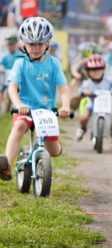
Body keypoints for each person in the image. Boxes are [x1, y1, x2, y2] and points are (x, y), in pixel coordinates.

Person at [0, 17, 70, 181]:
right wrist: (18, 104)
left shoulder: (53, 63)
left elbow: (63, 88)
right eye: (32, 44)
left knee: (54, 151)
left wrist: (65, 105)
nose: (36, 48)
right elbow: (12, 87)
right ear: (24, 44)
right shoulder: (20, 63)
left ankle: (54, 146)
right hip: (26, 109)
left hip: (47, 112)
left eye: (40, 44)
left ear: (47, 44)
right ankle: (6, 165)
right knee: (19, 126)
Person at [75, 54, 112, 145]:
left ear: (103, 69)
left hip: (105, 105)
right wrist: (84, 92)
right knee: (84, 117)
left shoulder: (108, 80)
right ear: (88, 72)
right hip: (91, 105)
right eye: (93, 70)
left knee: (110, 120)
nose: (96, 72)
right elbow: (80, 90)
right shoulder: (87, 83)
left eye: (99, 69)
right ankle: (82, 128)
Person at [0, 34, 23, 113]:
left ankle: (16, 107)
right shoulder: (4, 56)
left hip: (18, 77)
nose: (10, 47)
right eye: (8, 45)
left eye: (12, 44)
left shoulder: (20, 55)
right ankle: (5, 109)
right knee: (4, 92)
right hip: (6, 77)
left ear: (15, 44)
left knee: (18, 93)